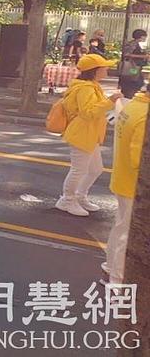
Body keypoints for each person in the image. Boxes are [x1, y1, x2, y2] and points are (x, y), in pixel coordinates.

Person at [55, 54, 122, 217]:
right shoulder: (86, 88)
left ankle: (79, 196)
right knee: (79, 170)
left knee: (95, 169)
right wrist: (110, 101)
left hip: (89, 134)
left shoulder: (91, 85)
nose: (107, 69)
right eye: (104, 67)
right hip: (82, 134)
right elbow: (88, 112)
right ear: (95, 71)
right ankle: (67, 200)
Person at [104, 90, 145, 284]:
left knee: (121, 227)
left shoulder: (134, 106)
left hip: (123, 179)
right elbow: (139, 159)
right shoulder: (144, 116)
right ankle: (117, 280)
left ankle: (110, 269)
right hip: (134, 185)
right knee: (126, 234)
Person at [120, 29, 147, 99]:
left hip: (134, 67)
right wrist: (143, 56)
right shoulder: (133, 44)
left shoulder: (135, 43)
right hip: (132, 67)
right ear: (140, 36)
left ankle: (129, 95)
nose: (145, 38)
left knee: (137, 80)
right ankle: (128, 96)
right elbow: (127, 54)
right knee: (133, 79)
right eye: (144, 36)